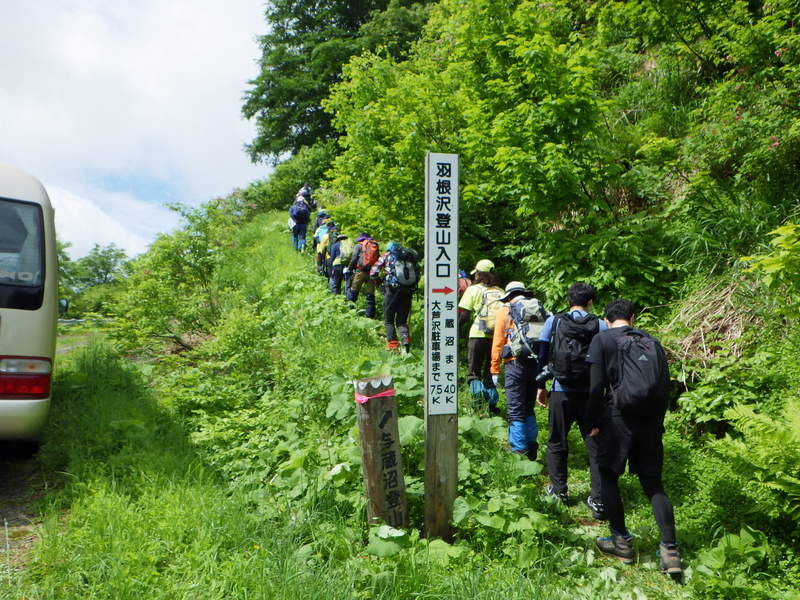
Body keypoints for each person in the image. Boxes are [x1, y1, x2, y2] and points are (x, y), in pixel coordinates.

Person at [586, 299, 681, 575]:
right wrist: (658, 423)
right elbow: (663, 386)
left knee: (608, 476)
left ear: (606, 319)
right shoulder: (652, 341)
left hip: (617, 419)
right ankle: (670, 551)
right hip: (650, 420)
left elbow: (595, 387)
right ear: (633, 317)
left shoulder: (602, 340)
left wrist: (591, 422)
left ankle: (621, 542)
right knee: (653, 482)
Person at [536, 282, 607, 517]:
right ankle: (598, 499)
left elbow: (542, 354)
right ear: (590, 302)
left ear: (569, 300)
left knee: (557, 441)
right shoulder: (600, 324)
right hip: (590, 394)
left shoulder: (554, 321)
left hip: (560, 389)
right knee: (595, 446)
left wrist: (540, 386)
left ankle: (559, 491)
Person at [490, 282, 547, 457]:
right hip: (536, 365)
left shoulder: (504, 311)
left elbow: (498, 342)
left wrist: (494, 368)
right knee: (528, 408)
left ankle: (519, 452)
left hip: (514, 364)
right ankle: (532, 449)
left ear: (509, 296)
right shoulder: (539, 310)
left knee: (515, 409)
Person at [458, 259, 503, 413]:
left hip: (477, 335)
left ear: (478, 274)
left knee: (473, 372)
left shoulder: (473, 290)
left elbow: (464, 315)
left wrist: (455, 332)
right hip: (496, 338)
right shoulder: (500, 292)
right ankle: (491, 404)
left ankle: (478, 403)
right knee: (489, 373)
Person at [371, 242, 419, 352]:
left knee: (388, 319)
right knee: (402, 321)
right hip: (407, 291)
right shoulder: (409, 258)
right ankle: (405, 341)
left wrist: (379, 284)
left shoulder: (387, 256)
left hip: (392, 290)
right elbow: (417, 275)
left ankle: (393, 346)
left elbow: (373, 272)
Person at [348, 233, 380, 318]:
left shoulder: (358, 246)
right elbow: (378, 259)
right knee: (370, 295)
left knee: (353, 291)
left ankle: (350, 312)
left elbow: (354, 257)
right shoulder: (374, 245)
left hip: (360, 271)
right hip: (372, 272)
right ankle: (370, 315)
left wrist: (350, 268)